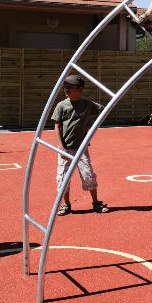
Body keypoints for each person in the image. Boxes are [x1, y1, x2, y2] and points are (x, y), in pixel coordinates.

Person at [52, 74, 110, 216]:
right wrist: (60, 146)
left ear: (80, 89)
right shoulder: (61, 105)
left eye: (69, 87)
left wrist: (89, 128)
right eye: (65, 87)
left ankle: (96, 202)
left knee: (88, 174)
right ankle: (66, 204)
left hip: (81, 148)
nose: (66, 90)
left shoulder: (87, 104)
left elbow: (104, 109)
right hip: (65, 148)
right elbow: (56, 126)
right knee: (63, 178)